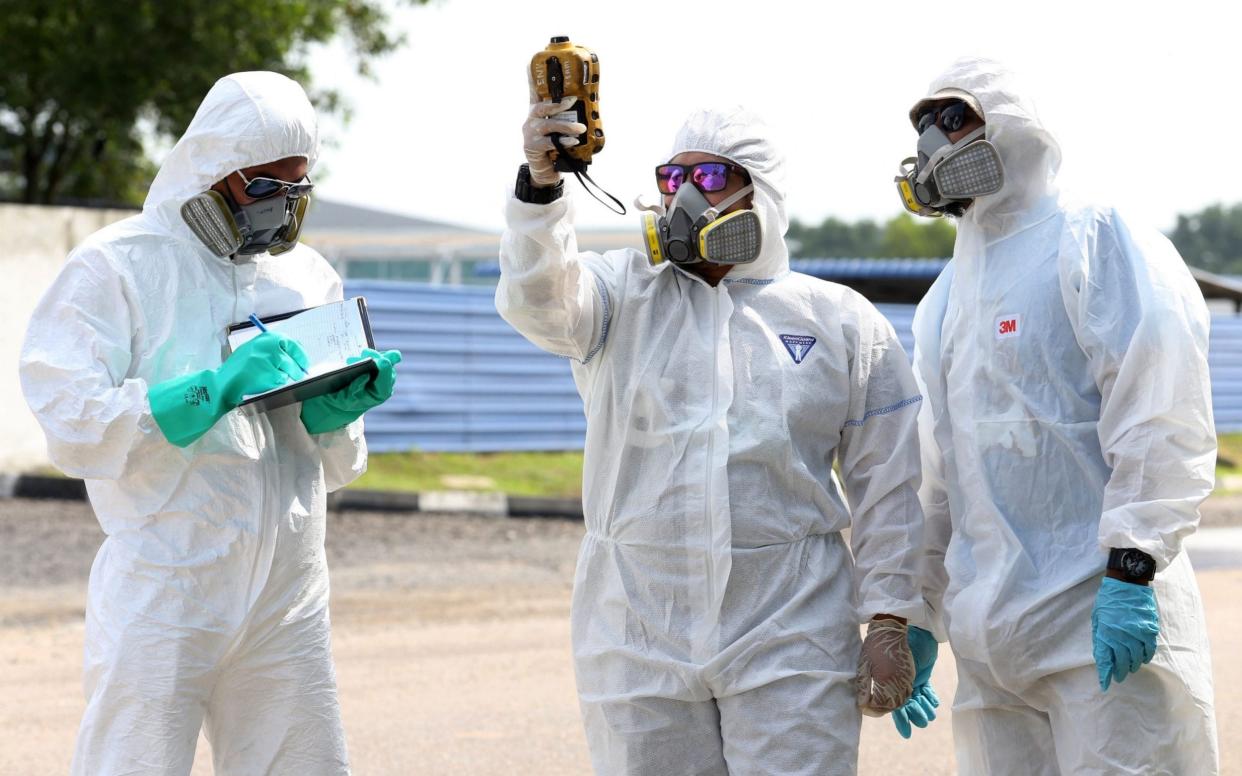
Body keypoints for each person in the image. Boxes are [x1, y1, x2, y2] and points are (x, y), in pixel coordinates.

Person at [497, 86, 927, 774]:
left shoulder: (837, 321)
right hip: (637, 628)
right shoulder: (618, 294)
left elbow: (894, 481)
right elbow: (539, 304)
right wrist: (541, 189)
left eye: (710, 178)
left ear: (763, 196)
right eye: (672, 178)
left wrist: (892, 615)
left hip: (791, 625)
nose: (683, 197)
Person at [19, 71, 401, 775]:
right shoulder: (119, 268)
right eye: (262, 187)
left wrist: (335, 411)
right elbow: (70, 418)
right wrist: (205, 393)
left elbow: (332, 459)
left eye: (295, 190)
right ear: (212, 170)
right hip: (167, 589)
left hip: (287, 593)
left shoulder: (307, 278)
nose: (279, 210)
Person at [893, 57, 1219, 773]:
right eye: (922, 126)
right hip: (994, 647)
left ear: (1011, 126)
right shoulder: (945, 299)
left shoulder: (1092, 238)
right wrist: (920, 613)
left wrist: (1132, 570)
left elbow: (1160, 413)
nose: (933, 143)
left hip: (1099, 622)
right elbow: (940, 476)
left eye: (953, 119)